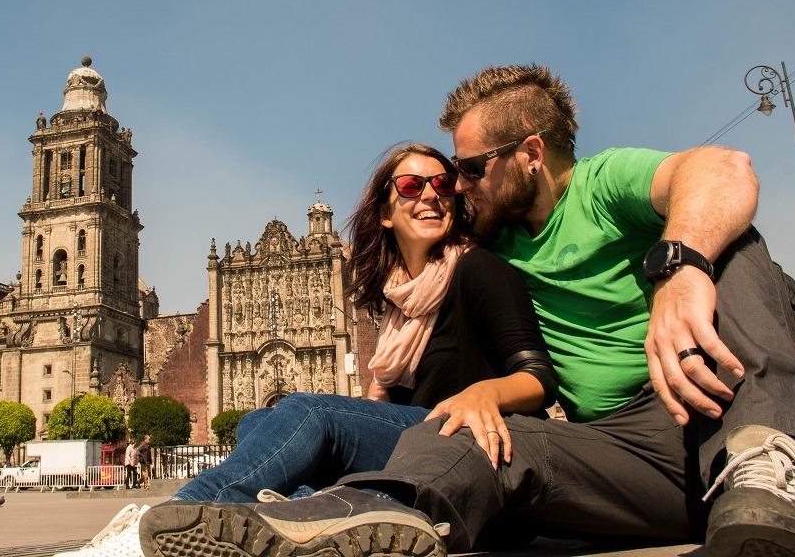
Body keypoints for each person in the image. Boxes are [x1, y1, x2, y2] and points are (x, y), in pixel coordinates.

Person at [146, 64, 795, 557]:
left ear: (532, 156)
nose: (457, 186)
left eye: (471, 169)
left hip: (718, 413)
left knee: (734, 243)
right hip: (621, 453)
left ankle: (774, 466)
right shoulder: (493, 245)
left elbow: (726, 169)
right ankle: (355, 518)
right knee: (467, 429)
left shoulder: (603, 186)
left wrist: (678, 268)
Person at [70, 143, 556, 557]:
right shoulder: (397, 299)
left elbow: (537, 377)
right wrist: (374, 399)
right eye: (411, 187)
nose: (429, 194)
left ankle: (161, 522)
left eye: (443, 184)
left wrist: (485, 395)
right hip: (420, 441)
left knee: (306, 412)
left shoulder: (476, 269)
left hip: (459, 440)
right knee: (256, 423)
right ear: (385, 212)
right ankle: (304, 518)